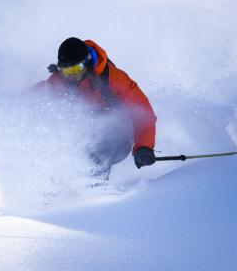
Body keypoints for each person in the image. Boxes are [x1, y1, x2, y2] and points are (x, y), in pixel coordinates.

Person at [35, 37, 157, 177]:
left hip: (118, 135)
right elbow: (39, 95)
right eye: (67, 71)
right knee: (65, 149)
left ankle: (95, 193)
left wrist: (144, 146)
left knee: (98, 153)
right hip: (85, 134)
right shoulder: (62, 80)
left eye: (76, 69)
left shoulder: (114, 78)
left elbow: (143, 114)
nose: (72, 75)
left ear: (86, 63)